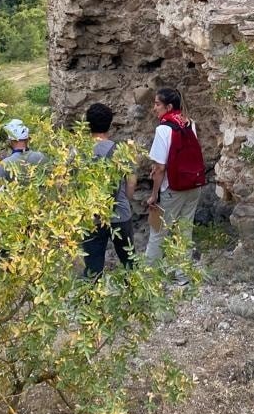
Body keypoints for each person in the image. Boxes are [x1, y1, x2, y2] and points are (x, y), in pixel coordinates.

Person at [144, 87, 206, 267]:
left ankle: (148, 278)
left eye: (157, 104)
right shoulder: (189, 123)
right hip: (193, 185)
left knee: (158, 232)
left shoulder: (163, 129)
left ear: (169, 106)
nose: (154, 108)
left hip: (172, 189)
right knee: (185, 231)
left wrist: (154, 194)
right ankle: (182, 275)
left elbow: (160, 168)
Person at [81, 102, 136, 278]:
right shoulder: (120, 151)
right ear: (110, 123)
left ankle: (91, 300)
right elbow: (131, 181)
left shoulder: (79, 152)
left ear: (87, 124)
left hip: (91, 216)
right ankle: (134, 297)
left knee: (93, 266)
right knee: (129, 261)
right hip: (119, 213)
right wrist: (125, 199)